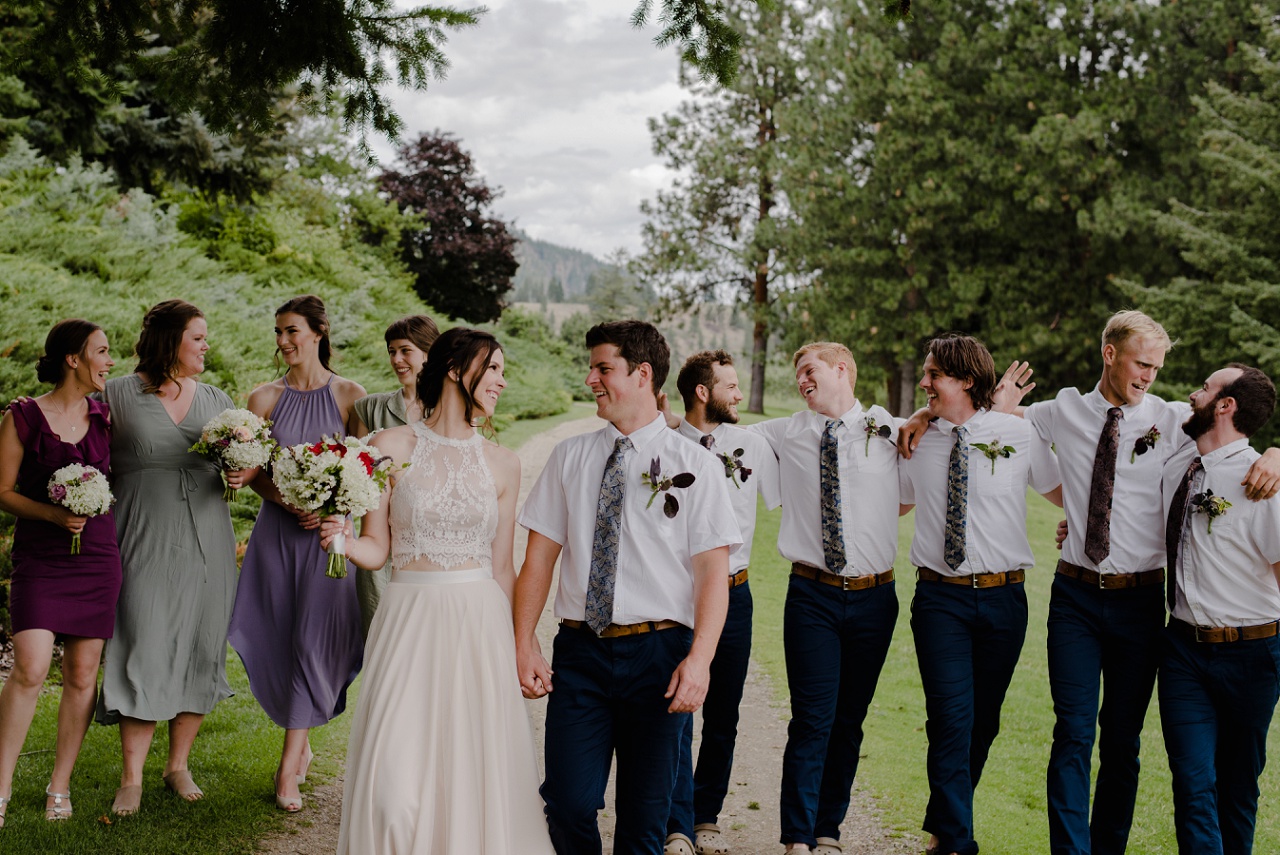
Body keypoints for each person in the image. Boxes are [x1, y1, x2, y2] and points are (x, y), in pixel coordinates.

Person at [901, 311, 1280, 855]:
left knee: (1122, 742)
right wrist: (921, 413)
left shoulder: (1174, 420)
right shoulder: (1063, 411)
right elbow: (976, 417)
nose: (1150, 375)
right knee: (1073, 734)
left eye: (1157, 367)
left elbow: (1234, 440)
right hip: (1075, 597)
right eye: (1142, 363)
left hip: (1142, 601)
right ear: (1110, 353)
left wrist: (1275, 455)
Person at [319, 326, 554, 854]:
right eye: (492, 368)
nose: (502, 381)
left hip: (478, 626)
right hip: (408, 621)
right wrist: (343, 541)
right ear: (455, 369)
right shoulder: (388, 447)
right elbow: (377, 547)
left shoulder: (504, 463)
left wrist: (524, 645)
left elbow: (502, 567)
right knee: (392, 792)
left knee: (470, 774)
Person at [515, 320, 739, 855]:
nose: (591, 378)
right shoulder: (570, 457)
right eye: (592, 367)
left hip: (659, 656)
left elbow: (713, 573)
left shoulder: (698, 466)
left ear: (642, 374)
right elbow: (539, 559)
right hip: (581, 653)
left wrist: (700, 660)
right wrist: (523, 642)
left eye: (603, 368)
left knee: (645, 823)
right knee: (568, 802)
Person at [897, 335, 1061, 855]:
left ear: (966, 381)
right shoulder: (916, 438)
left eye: (933, 376)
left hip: (1005, 600)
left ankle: (946, 827)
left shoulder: (1018, 433)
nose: (924, 384)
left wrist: (1072, 529)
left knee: (982, 721)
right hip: (939, 599)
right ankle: (956, 843)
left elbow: (1066, 494)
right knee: (951, 716)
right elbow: (893, 502)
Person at [745, 342, 902, 855]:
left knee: (849, 720)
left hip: (876, 599)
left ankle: (829, 830)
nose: (801, 381)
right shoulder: (785, 432)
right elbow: (721, 437)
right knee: (812, 718)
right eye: (796, 374)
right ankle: (796, 838)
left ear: (842, 370)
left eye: (808, 370)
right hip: (811, 595)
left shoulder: (891, 431)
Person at [94, 300, 250, 816]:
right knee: (144, 641)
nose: (207, 346)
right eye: (198, 338)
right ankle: (131, 777)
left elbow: (245, 465)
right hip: (141, 536)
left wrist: (240, 473)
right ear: (169, 341)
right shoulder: (117, 394)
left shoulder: (217, 400)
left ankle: (177, 765)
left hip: (209, 539)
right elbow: (83, 453)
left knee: (201, 646)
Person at [227, 294, 366, 812]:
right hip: (276, 538)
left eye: (292, 332)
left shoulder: (352, 396)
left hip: (329, 541)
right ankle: (301, 741)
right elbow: (250, 469)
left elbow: (365, 471)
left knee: (314, 641)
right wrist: (289, 499)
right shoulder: (262, 398)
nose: (283, 341)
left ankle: (287, 768)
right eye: (279, 332)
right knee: (282, 638)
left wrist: (337, 512)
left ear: (319, 331)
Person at [0, 320, 120, 825]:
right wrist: (52, 514)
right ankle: (0, 784)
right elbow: (2, 491)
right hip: (40, 559)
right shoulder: (22, 417)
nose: (110, 361)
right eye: (103, 351)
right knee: (28, 667)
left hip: (96, 558)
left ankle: (59, 786)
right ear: (73, 358)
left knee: (82, 674)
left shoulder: (108, 416)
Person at [664, 350, 781, 855]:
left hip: (735, 594)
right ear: (702, 393)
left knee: (724, 711)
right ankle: (676, 823)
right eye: (731, 387)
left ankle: (706, 814)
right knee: (675, 709)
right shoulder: (664, 446)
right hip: (676, 598)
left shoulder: (751, 444)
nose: (739, 395)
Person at [1160, 364, 1280, 854]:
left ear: (1225, 405)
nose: (1194, 393)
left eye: (1205, 389)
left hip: (1253, 655)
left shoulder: (1264, 484)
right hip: (1183, 651)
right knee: (1192, 785)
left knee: (1237, 788)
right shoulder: (1177, 463)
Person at [352, 314, 440, 638]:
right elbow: (355, 477)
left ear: (429, 353)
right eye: (391, 351)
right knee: (382, 639)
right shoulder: (368, 408)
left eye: (405, 350)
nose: (397, 360)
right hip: (377, 542)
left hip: (425, 542)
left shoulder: (450, 410)